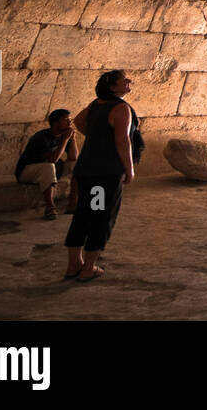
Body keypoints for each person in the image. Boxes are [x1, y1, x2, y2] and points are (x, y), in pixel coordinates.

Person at [63, 70, 140, 282]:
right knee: (100, 216)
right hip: (104, 175)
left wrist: (97, 136)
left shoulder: (97, 104)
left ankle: (73, 264)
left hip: (86, 170)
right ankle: (88, 267)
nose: (129, 81)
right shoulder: (121, 108)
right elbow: (123, 141)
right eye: (124, 79)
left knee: (83, 214)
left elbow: (78, 121)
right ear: (113, 87)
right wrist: (129, 168)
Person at [14, 109, 78, 220]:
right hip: (27, 171)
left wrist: (72, 140)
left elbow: (73, 158)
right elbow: (53, 159)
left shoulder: (63, 137)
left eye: (70, 120)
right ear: (55, 123)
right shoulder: (41, 137)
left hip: (49, 170)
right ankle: (50, 207)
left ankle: (72, 204)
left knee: (78, 165)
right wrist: (65, 139)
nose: (69, 123)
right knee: (49, 166)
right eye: (66, 120)